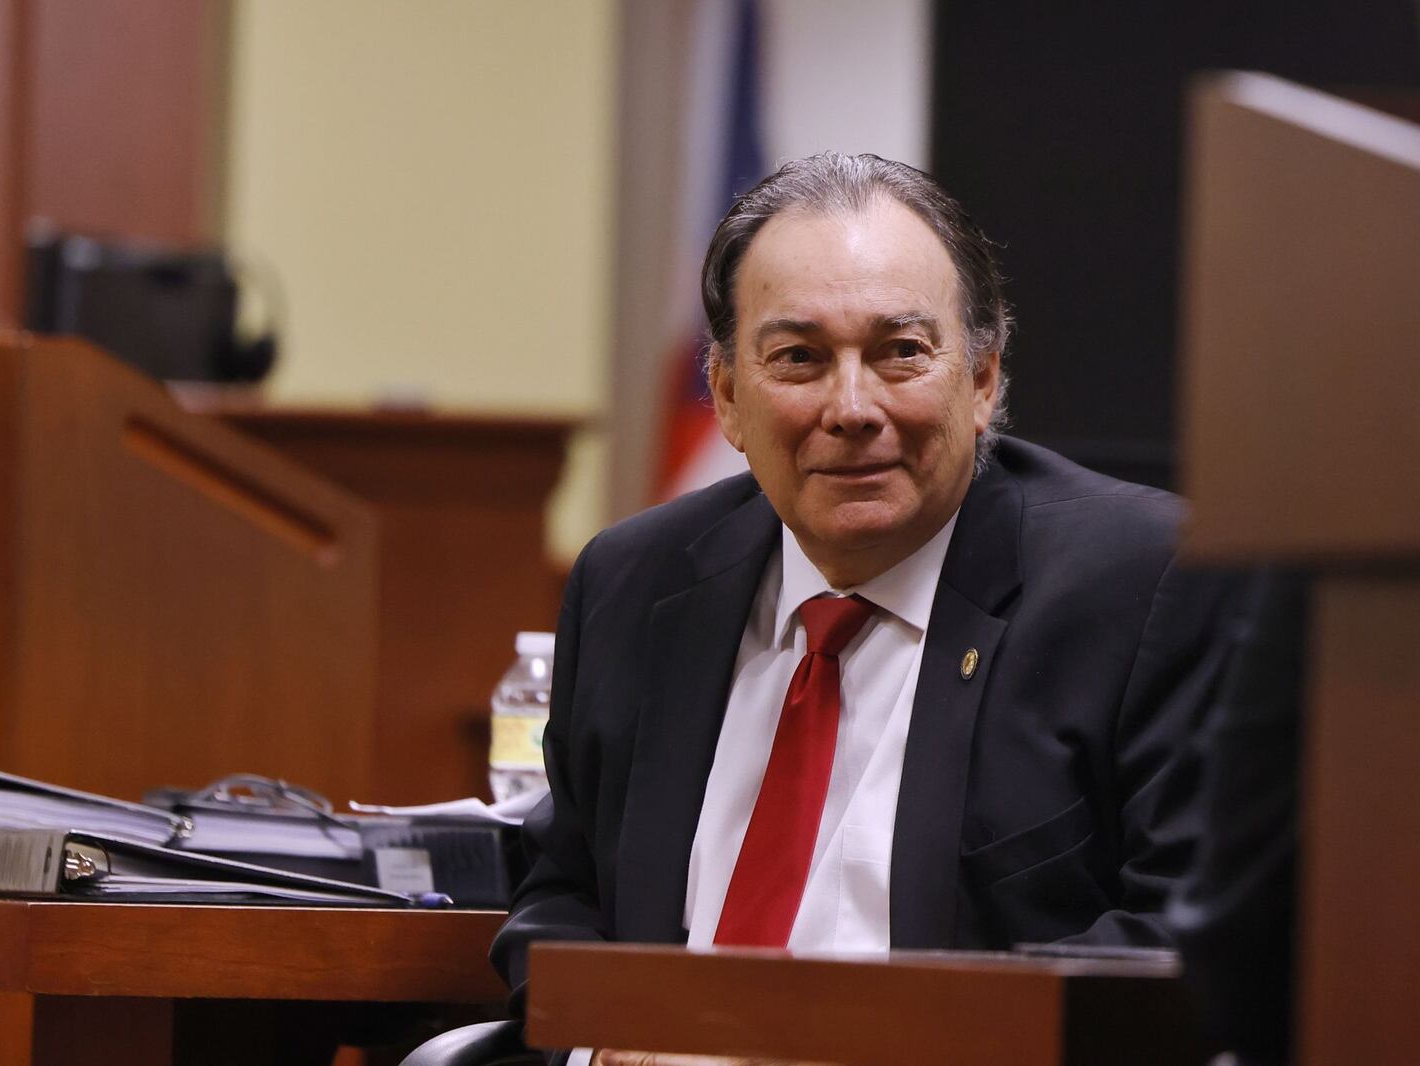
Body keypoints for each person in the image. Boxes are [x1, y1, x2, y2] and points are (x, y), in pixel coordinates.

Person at [491, 153, 1237, 1064]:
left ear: (983, 378)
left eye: (901, 353)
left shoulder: (1148, 583)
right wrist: (611, 1046)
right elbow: (560, 894)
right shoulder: (635, 582)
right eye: (799, 358)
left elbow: (1178, 944)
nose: (852, 407)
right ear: (726, 395)